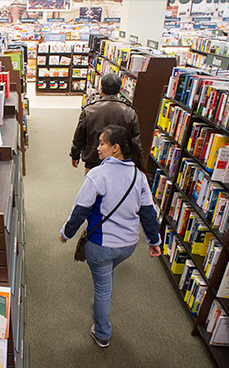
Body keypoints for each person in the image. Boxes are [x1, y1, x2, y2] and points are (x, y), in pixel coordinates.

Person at [59, 125, 161, 348]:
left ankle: (102, 333)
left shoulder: (98, 175)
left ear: (115, 148)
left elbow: (80, 210)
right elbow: (148, 213)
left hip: (101, 246)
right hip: (128, 246)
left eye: (102, 143)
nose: (98, 148)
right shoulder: (139, 175)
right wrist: (154, 242)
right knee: (106, 274)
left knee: (103, 289)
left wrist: (66, 233)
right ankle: (104, 282)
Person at [70, 74, 141, 172]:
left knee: (93, 184)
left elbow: (79, 136)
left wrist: (75, 154)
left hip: (94, 160)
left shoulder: (89, 110)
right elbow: (136, 141)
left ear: (101, 88)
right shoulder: (130, 112)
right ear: (119, 89)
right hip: (120, 162)